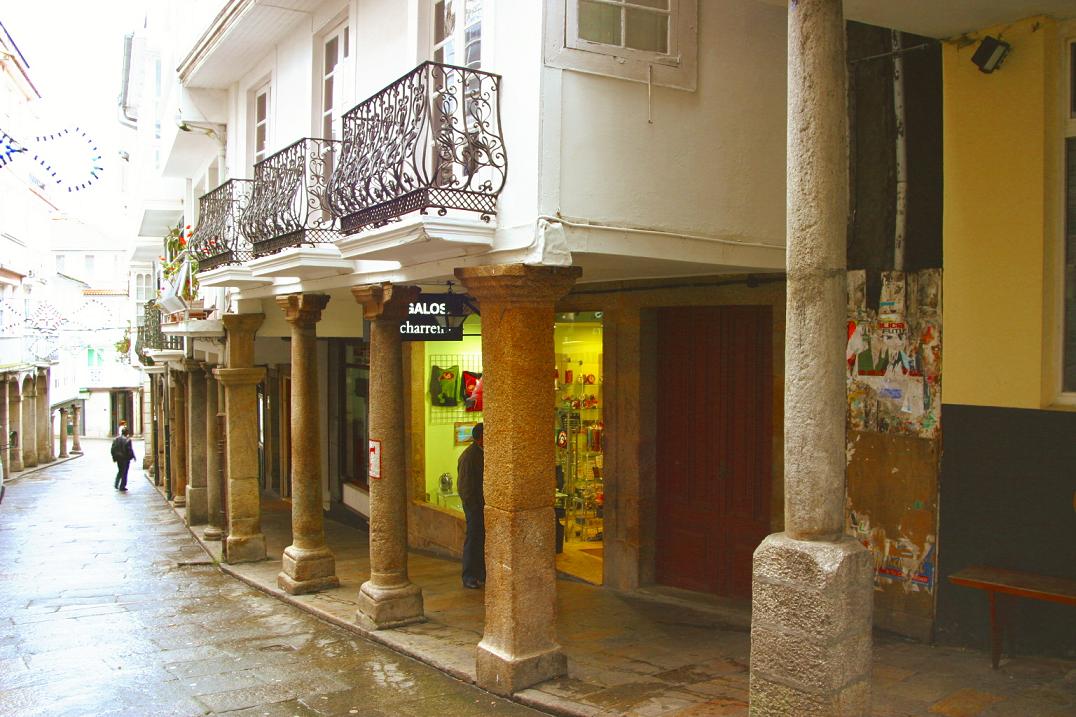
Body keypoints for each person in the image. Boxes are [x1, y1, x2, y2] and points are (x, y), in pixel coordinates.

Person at [457, 422, 485, 589]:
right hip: (474, 508)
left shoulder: (481, 453)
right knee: (473, 540)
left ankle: (480, 573)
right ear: (480, 438)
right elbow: (465, 487)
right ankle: (469, 576)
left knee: (480, 540)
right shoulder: (469, 457)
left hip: (481, 506)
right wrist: (474, 508)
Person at [111, 426, 136, 491]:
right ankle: (122, 486)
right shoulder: (128, 440)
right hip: (125, 458)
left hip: (119, 458)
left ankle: (116, 484)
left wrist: (114, 457)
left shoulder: (116, 439)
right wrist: (132, 456)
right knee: (125, 472)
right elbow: (129, 450)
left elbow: (112, 449)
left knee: (120, 471)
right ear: (127, 432)